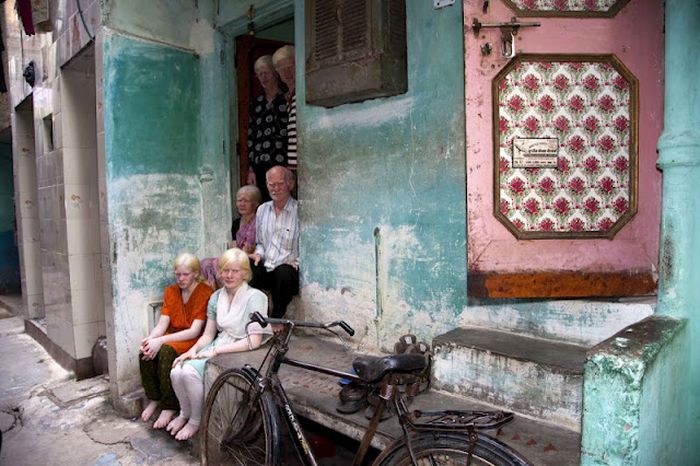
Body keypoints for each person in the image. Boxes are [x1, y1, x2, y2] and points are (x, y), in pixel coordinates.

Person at [168, 248, 273, 441]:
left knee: (190, 372)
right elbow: (208, 334)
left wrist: (216, 352)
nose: (229, 275)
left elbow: (254, 341)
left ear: (245, 273)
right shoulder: (216, 297)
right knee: (177, 369)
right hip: (220, 342)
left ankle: (196, 421)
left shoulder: (255, 297)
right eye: (225, 270)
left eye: (235, 270)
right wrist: (190, 352)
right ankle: (184, 414)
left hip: (241, 348)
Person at [138, 253, 212, 429]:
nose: (181, 278)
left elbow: (194, 330)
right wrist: (151, 338)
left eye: (185, 274)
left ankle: (169, 406)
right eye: (178, 274)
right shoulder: (171, 291)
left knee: (165, 351)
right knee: (145, 351)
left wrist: (161, 341)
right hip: (172, 337)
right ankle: (155, 398)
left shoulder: (204, 292)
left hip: (192, 339)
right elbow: (163, 323)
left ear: (195, 273)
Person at [250, 165, 299, 320]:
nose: (275, 188)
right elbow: (260, 243)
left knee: (284, 273)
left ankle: (277, 317)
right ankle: (254, 314)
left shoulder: (300, 211)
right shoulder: (262, 210)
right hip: (267, 267)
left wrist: (297, 262)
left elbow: (309, 247)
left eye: (280, 184)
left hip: (287, 271)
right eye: (271, 184)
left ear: (290, 184)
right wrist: (258, 254)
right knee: (244, 265)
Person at [246, 54, 288, 202]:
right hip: (261, 165)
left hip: (283, 163)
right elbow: (252, 137)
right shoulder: (256, 103)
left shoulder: (287, 97)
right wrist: (251, 169)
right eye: (259, 74)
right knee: (264, 205)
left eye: (266, 73)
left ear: (275, 72)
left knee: (284, 204)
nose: (263, 78)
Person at [272, 45, 297, 174]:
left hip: (305, 165)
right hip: (292, 166)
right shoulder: (288, 96)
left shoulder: (305, 93)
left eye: (290, 67)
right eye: (282, 69)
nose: (287, 73)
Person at [230, 185, 262, 255]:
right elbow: (234, 244)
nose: (242, 204)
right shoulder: (236, 223)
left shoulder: (261, 222)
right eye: (239, 200)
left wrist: (252, 249)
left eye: (246, 201)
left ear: (255, 204)